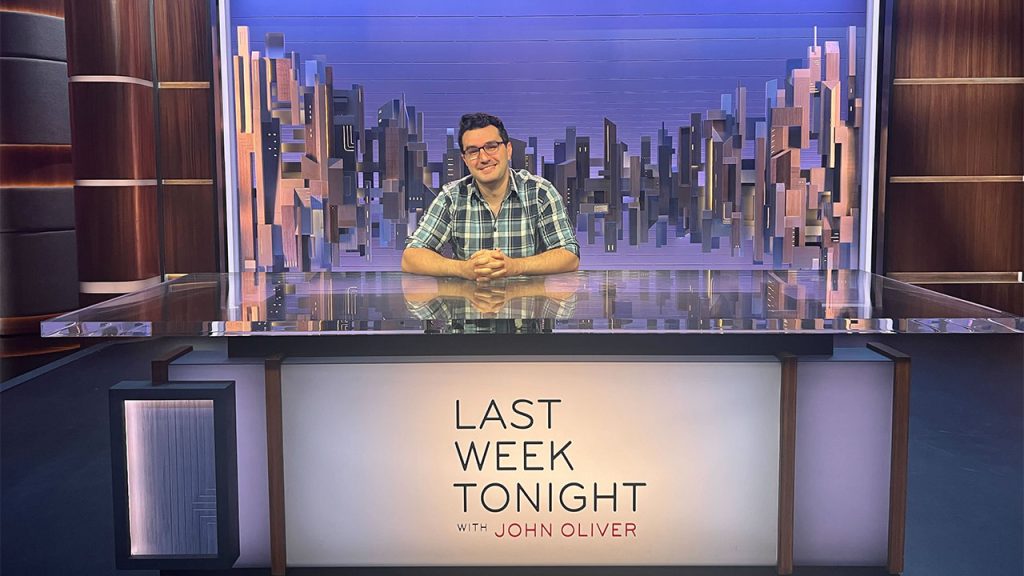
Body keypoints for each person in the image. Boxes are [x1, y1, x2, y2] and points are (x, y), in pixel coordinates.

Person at [402, 112, 579, 282]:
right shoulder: (452, 197)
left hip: (528, 309)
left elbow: (569, 256)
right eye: (473, 151)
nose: (484, 158)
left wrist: (514, 267)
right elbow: (411, 257)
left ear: (508, 150)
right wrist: (463, 269)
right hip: (468, 308)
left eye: (491, 147)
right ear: (465, 159)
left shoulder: (540, 192)